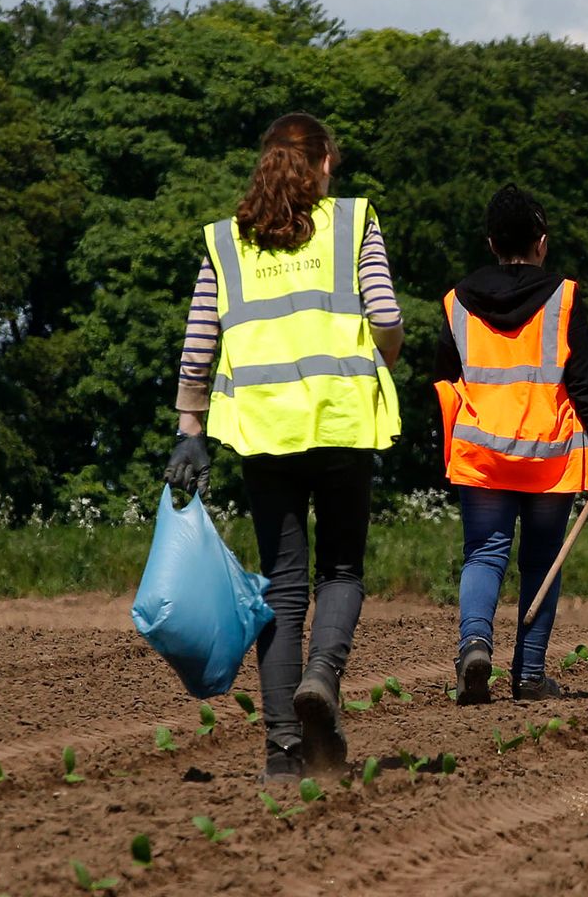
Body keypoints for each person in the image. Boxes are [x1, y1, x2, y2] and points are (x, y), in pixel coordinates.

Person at [163, 112, 402, 782]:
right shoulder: (354, 223)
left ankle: (283, 753)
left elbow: (197, 345)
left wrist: (190, 431)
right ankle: (322, 677)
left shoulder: (227, 240)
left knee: (282, 588)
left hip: (263, 432)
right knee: (343, 572)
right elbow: (385, 315)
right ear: (325, 164)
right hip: (343, 422)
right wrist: (385, 357)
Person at [434, 184, 588, 705]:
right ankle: (530, 675)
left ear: (491, 242)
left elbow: (444, 382)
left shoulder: (455, 301)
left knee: (484, 554)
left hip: (482, 457)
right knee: (542, 560)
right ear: (542, 242)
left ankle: (475, 644)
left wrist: (449, 446)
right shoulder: (565, 296)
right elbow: (585, 378)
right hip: (550, 459)